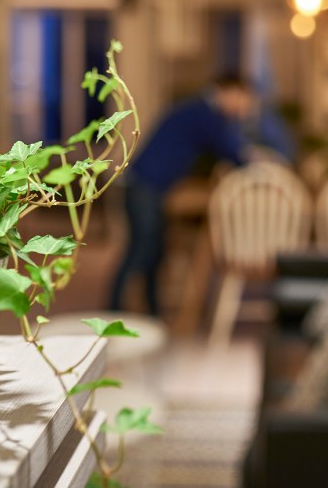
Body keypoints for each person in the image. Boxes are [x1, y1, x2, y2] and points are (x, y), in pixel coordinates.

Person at [108, 73, 255, 315]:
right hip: (146, 188)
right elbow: (234, 153)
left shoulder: (195, 110)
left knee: (154, 253)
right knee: (142, 253)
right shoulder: (205, 115)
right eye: (241, 99)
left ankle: (152, 313)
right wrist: (255, 161)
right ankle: (113, 310)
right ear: (228, 92)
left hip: (145, 186)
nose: (242, 106)